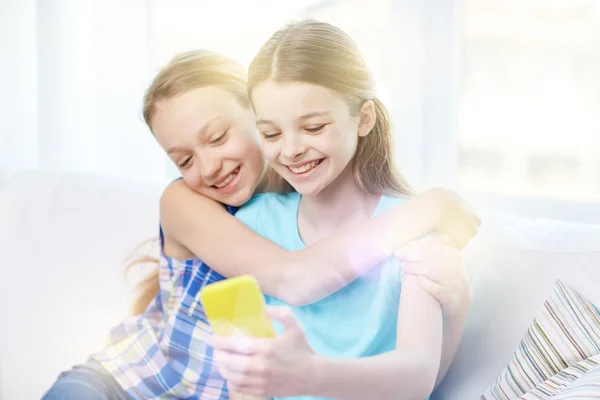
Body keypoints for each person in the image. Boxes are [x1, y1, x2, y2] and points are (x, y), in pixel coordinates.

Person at [42, 45, 478, 399]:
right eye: (184, 159)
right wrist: (431, 206)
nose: (209, 166)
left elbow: (412, 376)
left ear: (256, 114)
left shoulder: (285, 208)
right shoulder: (187, 203)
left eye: (217, 137)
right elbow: (298, 278)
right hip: (121, 387)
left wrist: (454, 305)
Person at [209, 20, 473, 400]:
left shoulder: (415, 229)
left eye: (313, 127)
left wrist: (309, 375)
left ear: (363, 118)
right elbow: (245, 387)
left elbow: (417, 375)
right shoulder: (250, 225)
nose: (290, 150)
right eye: (271, 133)